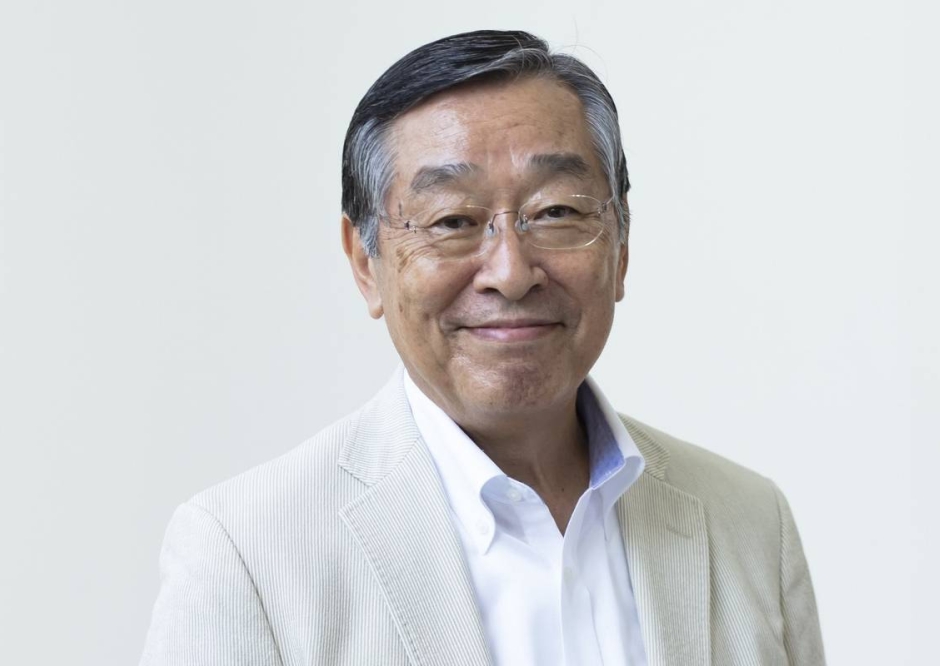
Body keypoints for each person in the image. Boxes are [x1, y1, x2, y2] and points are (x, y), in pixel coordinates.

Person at [139, 30, 825, 666]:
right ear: (365, 263)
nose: (510, 272)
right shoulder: (247, 554)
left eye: (556, 211)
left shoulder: (749, 524)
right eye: (453, 220)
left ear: (621, 247)